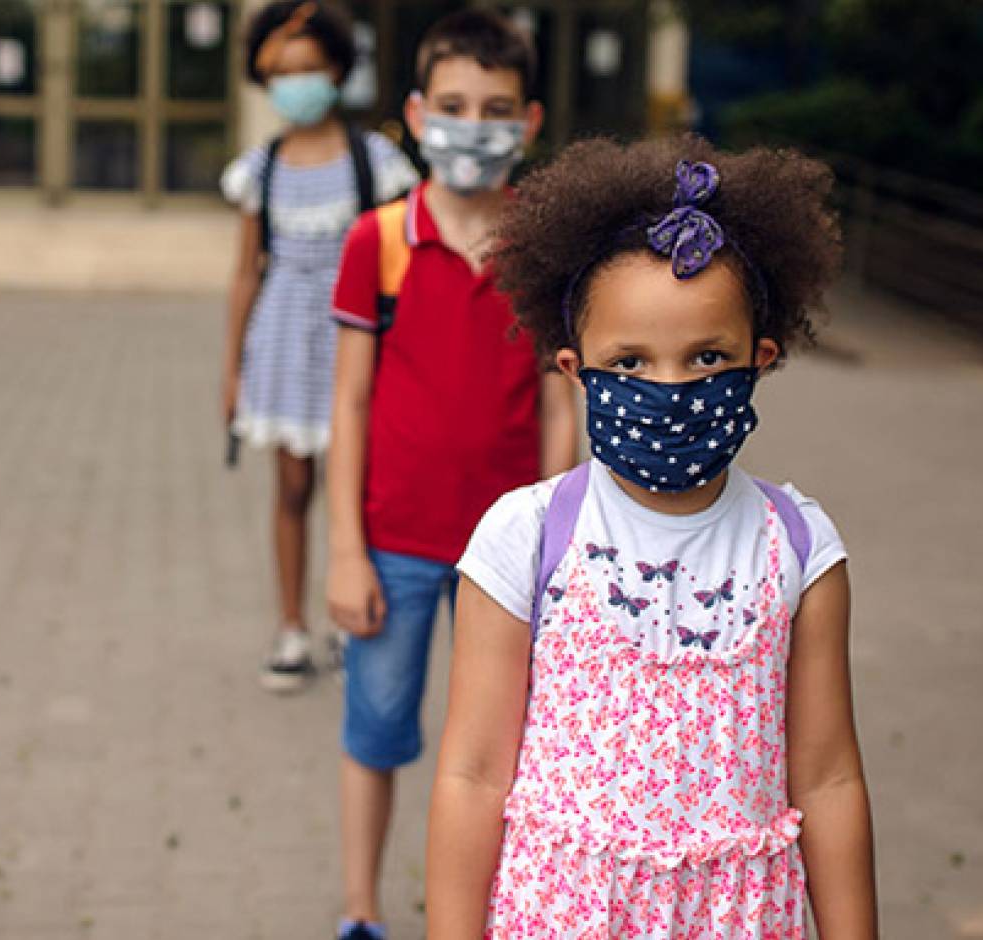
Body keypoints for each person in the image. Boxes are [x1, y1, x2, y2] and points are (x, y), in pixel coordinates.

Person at [426, 137, 878, 938]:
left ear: (760, 360)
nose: (669, 389)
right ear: (574, 369)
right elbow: (471, 773)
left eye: (707, 357)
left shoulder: (801, 547)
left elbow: (830, 776)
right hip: (562, 916)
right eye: (629, 362)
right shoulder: (524, 538)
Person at [325, 11, 579, 939]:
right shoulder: (376, 242)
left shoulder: (546, 256)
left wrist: (559, 550)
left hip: (509, 564)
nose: (475, 124)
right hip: (392, 541)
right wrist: (344, 550)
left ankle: (484, 915)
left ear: (531, 120)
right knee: (377, 733)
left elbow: (563, 406)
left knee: (498, 754)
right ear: (418, 111)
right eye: (457, 105)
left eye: (497, 108)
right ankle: (360, 912)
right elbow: (348, 405)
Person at [221, 0, 418, 693]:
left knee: (358, 482)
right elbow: (247, 272)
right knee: (293, 486)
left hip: (358, 341)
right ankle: (291, 626)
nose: (296, 81)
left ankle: (349, 611)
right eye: (281, 71)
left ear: (337, 70)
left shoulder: (375, 162)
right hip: (281, 341)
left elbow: (404, 263)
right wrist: (231, 370)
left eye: (309, 67)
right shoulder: (262, 168)